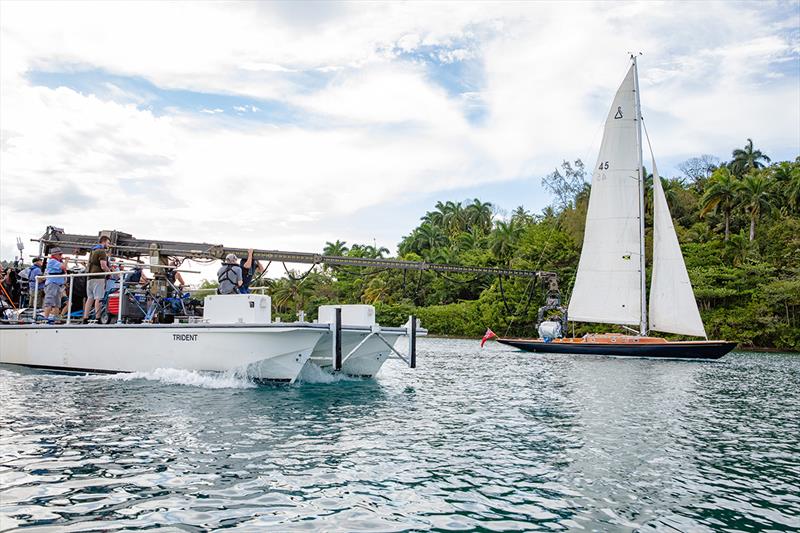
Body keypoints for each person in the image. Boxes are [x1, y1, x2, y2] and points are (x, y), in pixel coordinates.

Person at [84, 236, 111, 323]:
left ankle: (85, 318)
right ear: (103, 242)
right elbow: (103, 265)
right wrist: (109, 272)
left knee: (90, 298)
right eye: (108, 243)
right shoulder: (102, 251)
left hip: (90, 277)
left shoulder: (93, 251)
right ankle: (98, 318)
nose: (109, 245)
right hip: (98, 277)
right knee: (98, 298)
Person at [43, 248, 67, 322]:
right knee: (49, 302)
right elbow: (64, 267)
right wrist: (66, 260)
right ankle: (45, 319)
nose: (61, 256)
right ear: (55, 255)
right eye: (60, 254)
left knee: (57, 303)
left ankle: (56, 320)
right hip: (52, 283)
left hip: (58, 284)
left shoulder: (57, 261)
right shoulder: (52, 261)